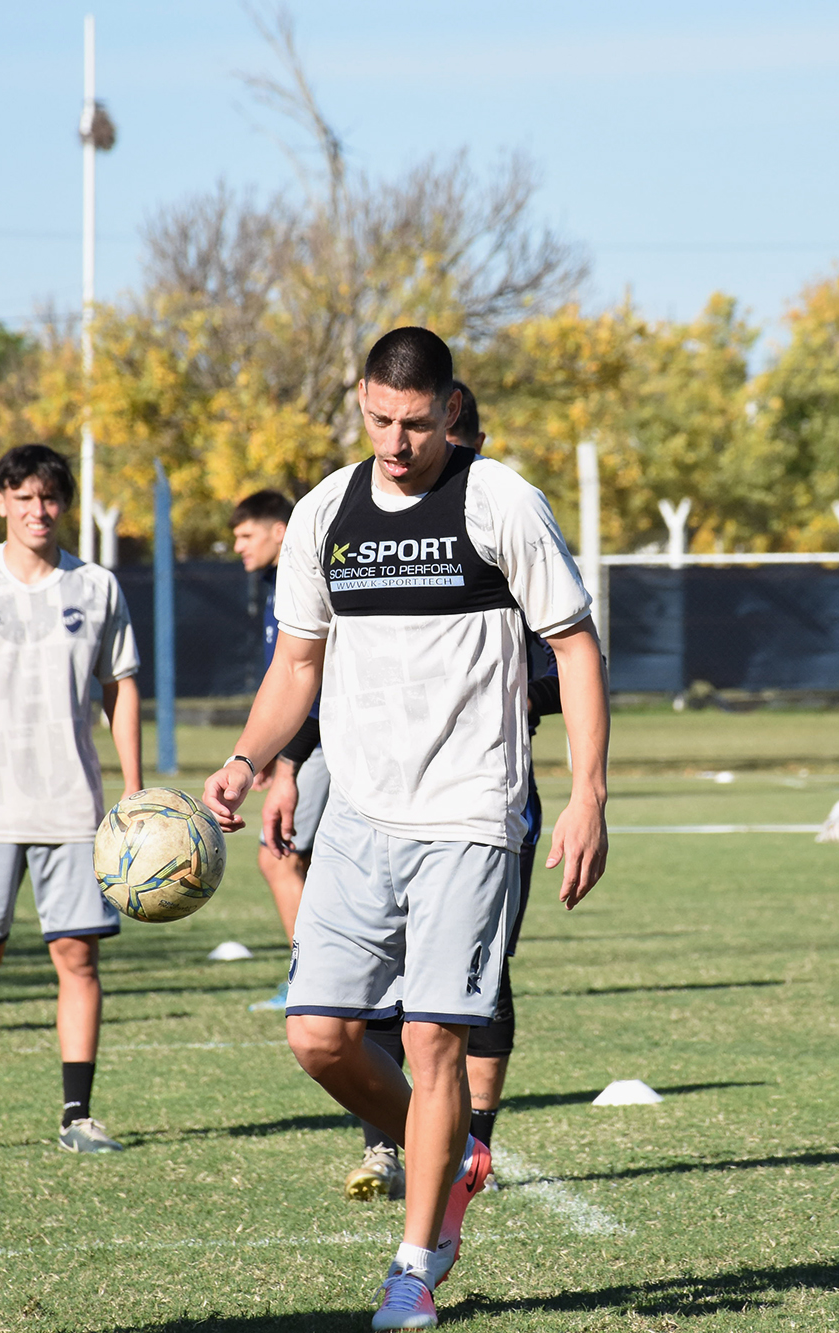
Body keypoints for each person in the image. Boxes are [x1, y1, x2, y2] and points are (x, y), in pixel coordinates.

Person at [203, 328, 610, 1330]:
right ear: (360, 400)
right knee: (318, 1037)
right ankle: (455, 1151)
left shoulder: (498, 501)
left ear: (449, 409)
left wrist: (589, 793)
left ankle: (414, 1267)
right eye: (380, 420)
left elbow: (575, 645)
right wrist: (248, 758)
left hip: (470, 812)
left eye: (416, 424)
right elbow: (297, 664)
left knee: (431, 1038)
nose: (396, 442)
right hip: (358, 816)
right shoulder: (323, 512)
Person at [340, 380, 561, 1204]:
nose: (410, 450)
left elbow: (565, 662)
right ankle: (396, 1142)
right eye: (386, 424)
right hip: (381, 801)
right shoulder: (355, 520)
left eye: (431, 433)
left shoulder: (505, 523)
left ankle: (475, 1144)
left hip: (483, 800)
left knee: (478, 982)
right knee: (368, 990)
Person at [0, 444, 142, 1155]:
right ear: (1, 501)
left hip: (73, 807)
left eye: (48, 498)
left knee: (78, 957)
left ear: (63, 504)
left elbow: (120, 685)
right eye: (23, 497)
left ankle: (78, 1116)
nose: (37, 510)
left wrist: (133, 788)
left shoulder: (96, 585)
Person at [228, 489, 329, 1014]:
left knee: (277, 856)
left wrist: (288, 760)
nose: (238, 547)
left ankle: (312, 983)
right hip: (303, 743)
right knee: (299, 859)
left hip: (322, 741)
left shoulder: (307, 577)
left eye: (247, 535)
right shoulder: (273, 584)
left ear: (279, 531)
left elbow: (313, 677)